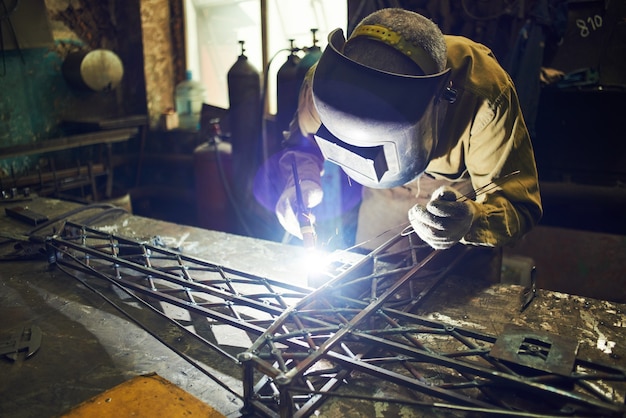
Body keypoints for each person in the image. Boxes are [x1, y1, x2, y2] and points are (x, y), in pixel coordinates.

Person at [275, 8, 542, 277]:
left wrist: (470, 220)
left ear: (439, 102)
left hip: (454, 236)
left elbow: (518, 207)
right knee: (364, 290)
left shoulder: (483, 96)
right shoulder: (326, 83)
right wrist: (302, 183)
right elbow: (302, 143)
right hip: (380, 216)